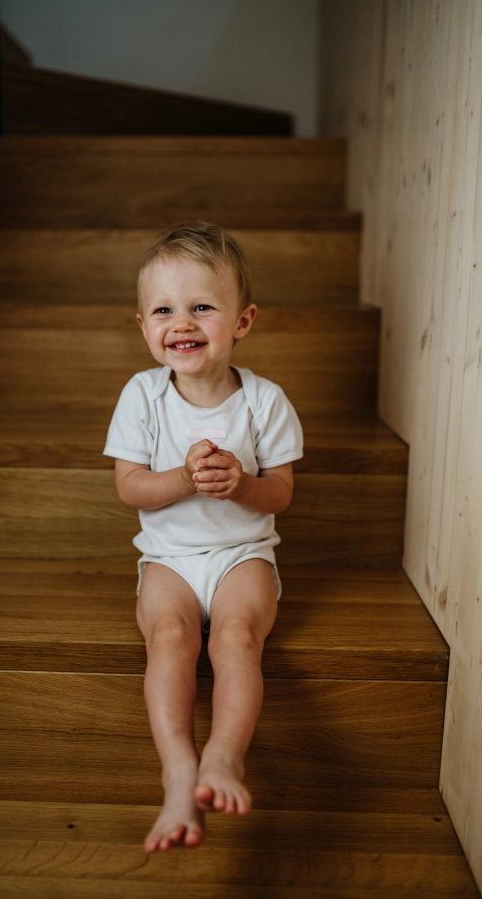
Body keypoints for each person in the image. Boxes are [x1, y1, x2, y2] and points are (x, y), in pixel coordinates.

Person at [103, 222, 303, 853]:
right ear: (142, 326)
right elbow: (130, 488)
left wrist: (240, 483)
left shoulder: (264, 401)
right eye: (164, 309)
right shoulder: (143, 395)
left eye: (202, 307)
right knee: (170, 637)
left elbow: (281, 493)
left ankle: (223, 757)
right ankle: (178, 773)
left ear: (241, 322)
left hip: (243, 554)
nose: (181, 322)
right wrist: (183, 479)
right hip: (168, 560)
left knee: (239, 637)